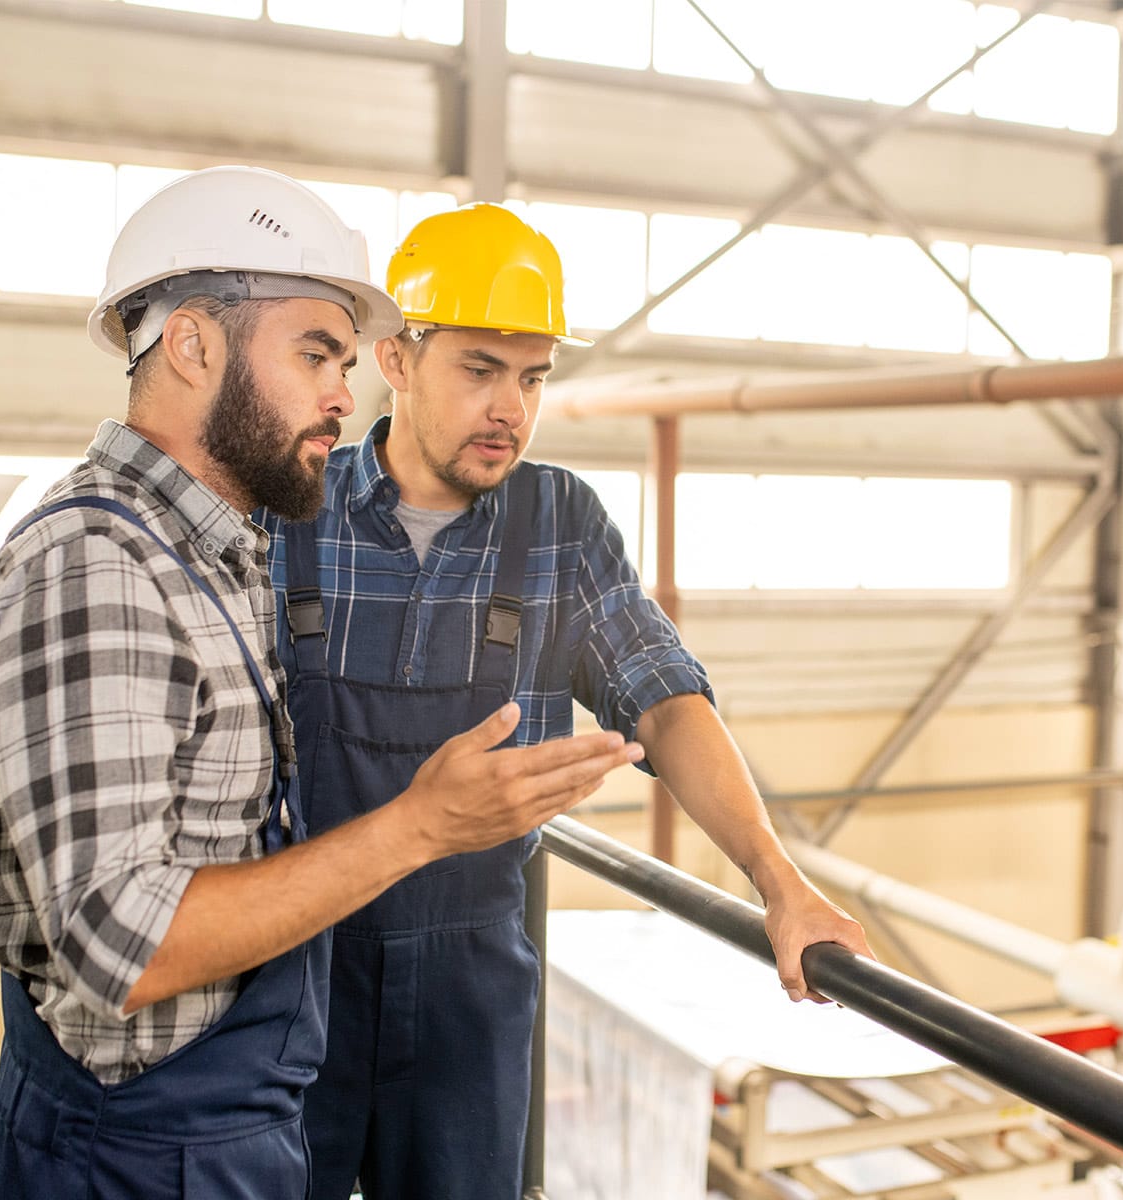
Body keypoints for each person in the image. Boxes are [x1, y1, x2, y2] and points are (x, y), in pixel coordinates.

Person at [0, 167, 642, 1200]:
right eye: (316, 353)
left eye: (348, 361)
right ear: (193, 344)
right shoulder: (95, 569)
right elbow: (121, 943)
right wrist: (421, 826)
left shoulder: (213, 555)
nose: (340, 396)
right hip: (134, 1155)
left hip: (232, 1119)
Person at [261, 201, 872, 1200]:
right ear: (397, 360)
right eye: (480, 369)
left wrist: (777, 881)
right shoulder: (292, 502)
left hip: (469, 995)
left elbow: (666, 698)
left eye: (534, 377)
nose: (512, 407)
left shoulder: (559, 525)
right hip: (292, 969)